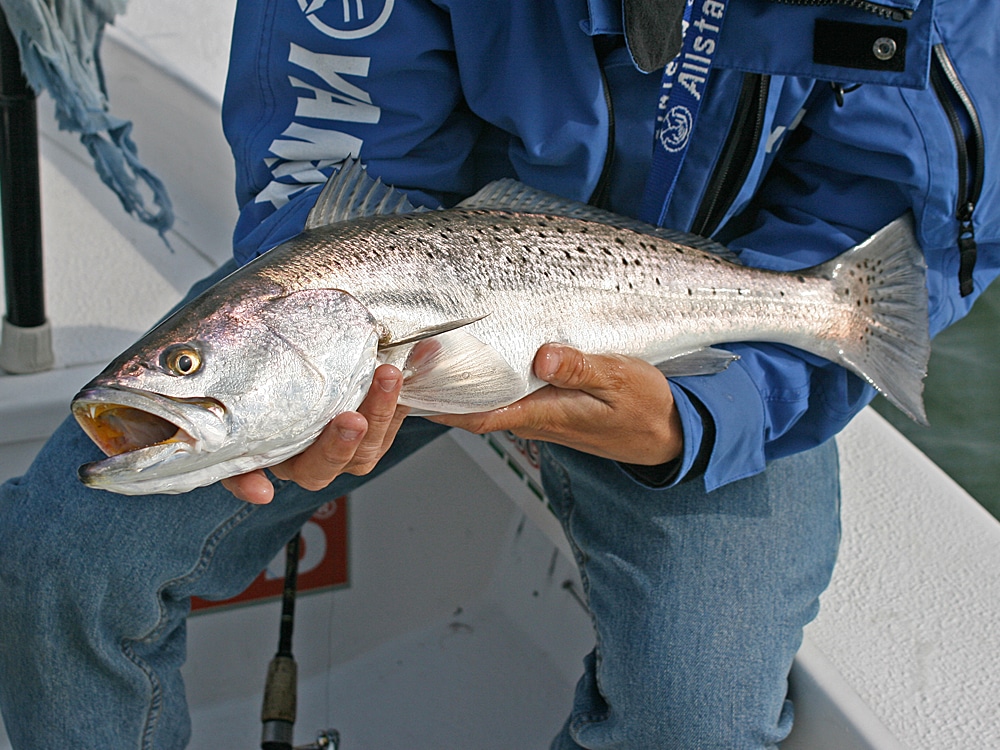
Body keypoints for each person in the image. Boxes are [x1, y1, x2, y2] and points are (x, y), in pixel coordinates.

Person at [1, 0, 998, 747]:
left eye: (183, 365)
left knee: (693, 718)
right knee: (63, 552)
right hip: (403, 252)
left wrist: (699, 413)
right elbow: (334, 135)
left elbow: (899, 214)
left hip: (715, 323)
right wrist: (286, 395)